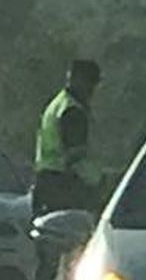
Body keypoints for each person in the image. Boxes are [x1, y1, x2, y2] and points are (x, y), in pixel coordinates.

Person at [32, 57, 103, 215]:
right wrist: (95, 183)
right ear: (79, 80)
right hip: (63, 184)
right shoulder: (73, 111)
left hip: (46, 180)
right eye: (90, 83)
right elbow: (75, 155)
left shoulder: (58, 104)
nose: (92, 89)